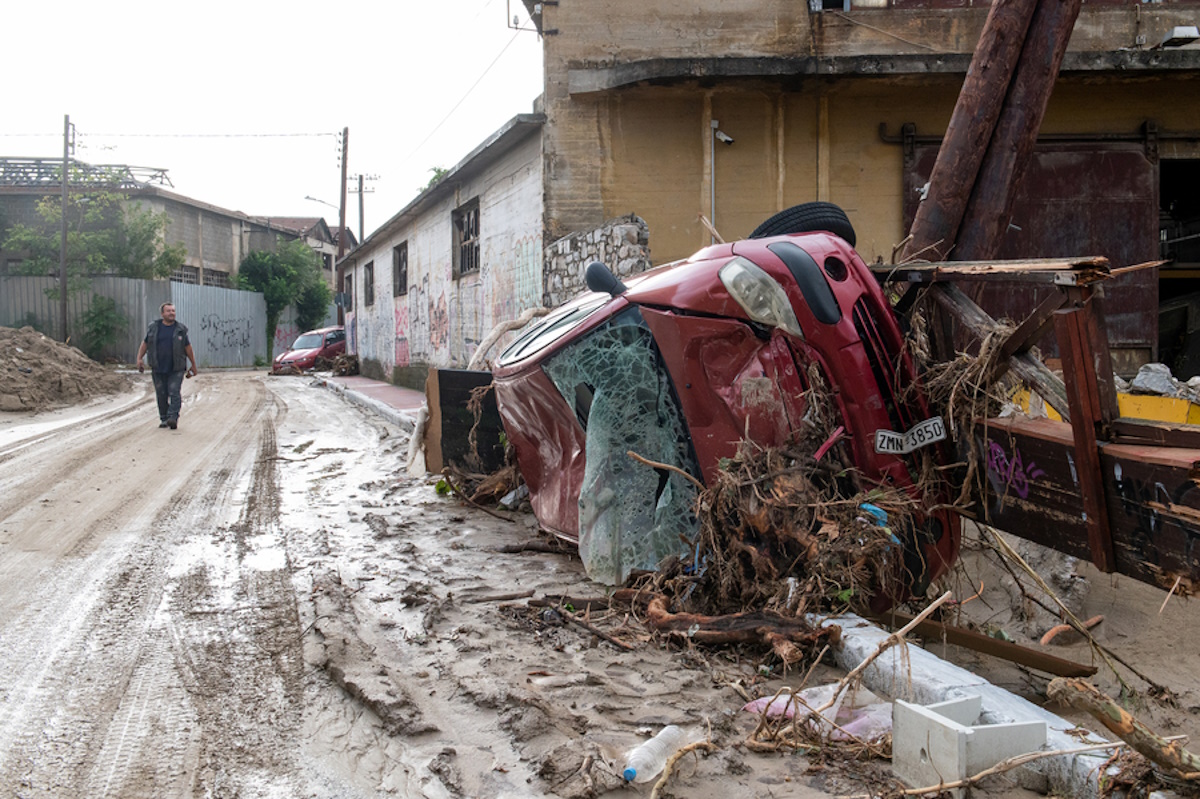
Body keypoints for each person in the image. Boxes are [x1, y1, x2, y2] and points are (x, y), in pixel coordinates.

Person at [135, 303, 198, 429]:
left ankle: (173, 417)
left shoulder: (180, 329)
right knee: (161, 394)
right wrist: (139, 358)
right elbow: (145, 343)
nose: (171, 313)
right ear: (162, 314)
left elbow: (188, 348)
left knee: (174, 392)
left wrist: (193, 365)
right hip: (158, 367)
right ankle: (164, 418)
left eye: (173, 311)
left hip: (176, 368)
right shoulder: (154, 328)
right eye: (168, 311)